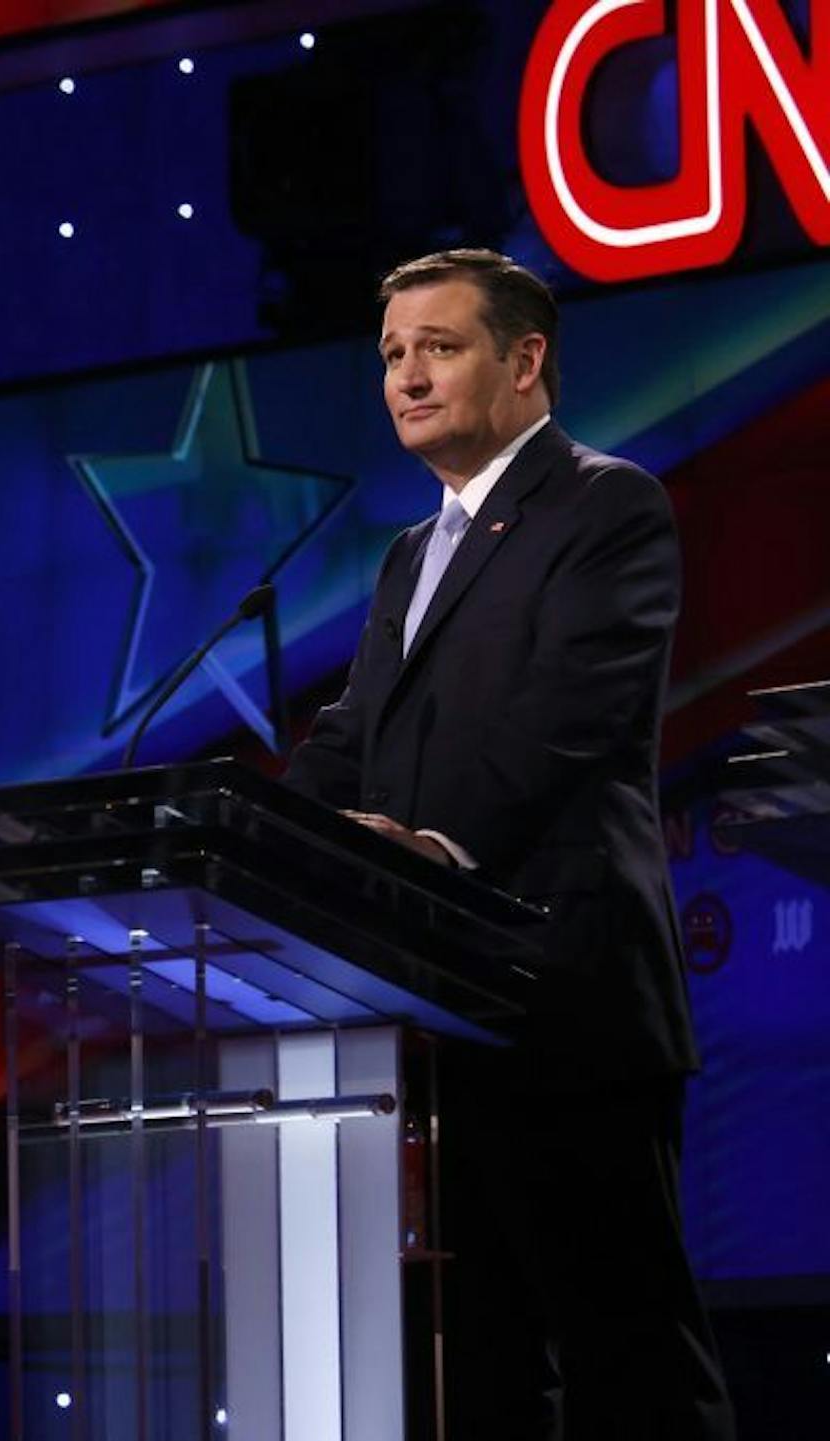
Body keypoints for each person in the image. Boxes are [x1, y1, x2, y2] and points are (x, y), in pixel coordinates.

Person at [282, 249, 734, 1438]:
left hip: (566, 998)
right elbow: (348, 740)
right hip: (436, 1016)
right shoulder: (407, 554)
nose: (408, 378)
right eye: (391, 355)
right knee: (477, 1365)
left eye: (439, 347)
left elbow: (568, 720)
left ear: (525, 360)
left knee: (629, 1356)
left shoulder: (604, 504)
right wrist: (259, 835)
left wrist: (426, 844)